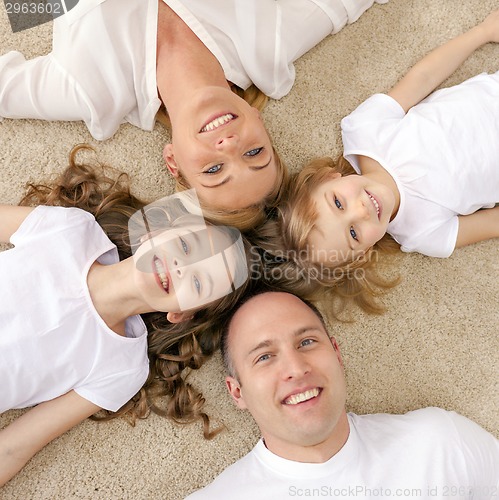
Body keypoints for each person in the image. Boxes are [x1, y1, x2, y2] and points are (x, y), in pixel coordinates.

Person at [0, 145, 252, 486]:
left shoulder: (123, 368)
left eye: (197, 281)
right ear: (156, 232)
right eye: (188, 247)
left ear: (180, 314)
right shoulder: (72, 230)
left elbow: (14, 447)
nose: (181, 267)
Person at [0, 0, 388, 217]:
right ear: (259, 121)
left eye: (215, 169)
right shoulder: (269, 48)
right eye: (255, 153)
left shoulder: (93, 93)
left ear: (173, 162)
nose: (230, 145)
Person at [275, 8, 499, 305]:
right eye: (354, 233)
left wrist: (482, 33)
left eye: (338, 202)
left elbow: (423, 77)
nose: (361, 210)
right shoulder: (423, 233)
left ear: (329, 177)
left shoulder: (364, 133)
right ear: (364, 253)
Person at [186, 289, 499, 499]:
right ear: (237, 392)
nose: (296, 368)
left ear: (337, 354)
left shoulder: (440, 442)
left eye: (307, 342)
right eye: (264, 357)